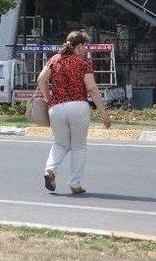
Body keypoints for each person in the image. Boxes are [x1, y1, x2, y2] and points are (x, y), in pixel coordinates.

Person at [37, 31, 111, 194]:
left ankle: (50, 170)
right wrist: (103, 113)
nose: (86, 49)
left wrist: (49, 99)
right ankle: (75, 183)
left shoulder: (54, 60)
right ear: (78, 46)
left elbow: (41, 80)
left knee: (60, 143)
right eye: (85, 45)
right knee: (78, 146)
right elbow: (91, 88)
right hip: (78, 107)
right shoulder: (83, 63)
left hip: (57, 108)